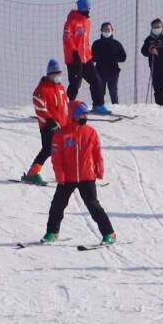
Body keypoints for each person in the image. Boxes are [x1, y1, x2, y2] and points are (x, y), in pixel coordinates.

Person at [42, 101, 116, 245]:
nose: (85, 116)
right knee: (57, 205)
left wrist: (99, 168)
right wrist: (59, 174)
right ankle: (52, 232)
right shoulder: (60, 134)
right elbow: (56, 158)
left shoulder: (90, 132)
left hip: (86, 176)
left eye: (86, 113)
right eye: (81, 113)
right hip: (67, 177)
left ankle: (109, 233)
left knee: (93, 206)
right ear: (72, 115)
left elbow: (96, 153)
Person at [21, 59, 69, 185]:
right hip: (49, 126)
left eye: (60, 73)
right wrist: (50, 120)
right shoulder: (42, 88)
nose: (59, 76)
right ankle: (33, 173)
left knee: (64, 150)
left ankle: (67, 173)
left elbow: (66, 105)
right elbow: (39, 106)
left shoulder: (61, 88)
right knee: (48, 149)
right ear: (50, 74)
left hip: (62, 125)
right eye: (56, 73)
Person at [63, 0, 104, 112]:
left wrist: (90, 52)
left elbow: (85, 41)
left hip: (87, 58)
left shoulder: (87, 21)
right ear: (80, 9)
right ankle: (66, 108)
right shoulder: (71, 21)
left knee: (96, 80)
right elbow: (67, 39)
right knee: (75, 83)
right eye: (86, 9)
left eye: (89, 9)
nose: (88, 11)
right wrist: (74, 52)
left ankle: (98, 104)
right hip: (74, 58)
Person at [90, 21, 127, 114]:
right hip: (99, 72)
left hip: (113, 72)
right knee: (100, 91)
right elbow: (91, 57)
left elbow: (123, 57)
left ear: (112, 30)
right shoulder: (96, 44)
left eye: (108, 29)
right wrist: (99, 58)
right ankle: (98, 107)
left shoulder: (116, 44)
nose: (106, 31)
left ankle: (116, 109)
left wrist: (113, 58)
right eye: (104, 29)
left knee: (113, 91)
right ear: (101, 31)